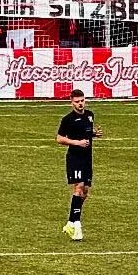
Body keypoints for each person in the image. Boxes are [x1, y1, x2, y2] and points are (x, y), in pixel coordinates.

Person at [57, 88, 97, 241]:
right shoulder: (68, 119)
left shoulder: (90, 115)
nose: (81, 104)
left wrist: (93, 134)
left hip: (87, 158)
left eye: (82, 101)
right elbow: (59, 138)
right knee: (78, 187)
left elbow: (86, 131)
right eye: (77, 102)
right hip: (74, 158)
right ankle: (77, 226)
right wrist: (77, 143)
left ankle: (70, 222)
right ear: (71, 102)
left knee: (85, 192)